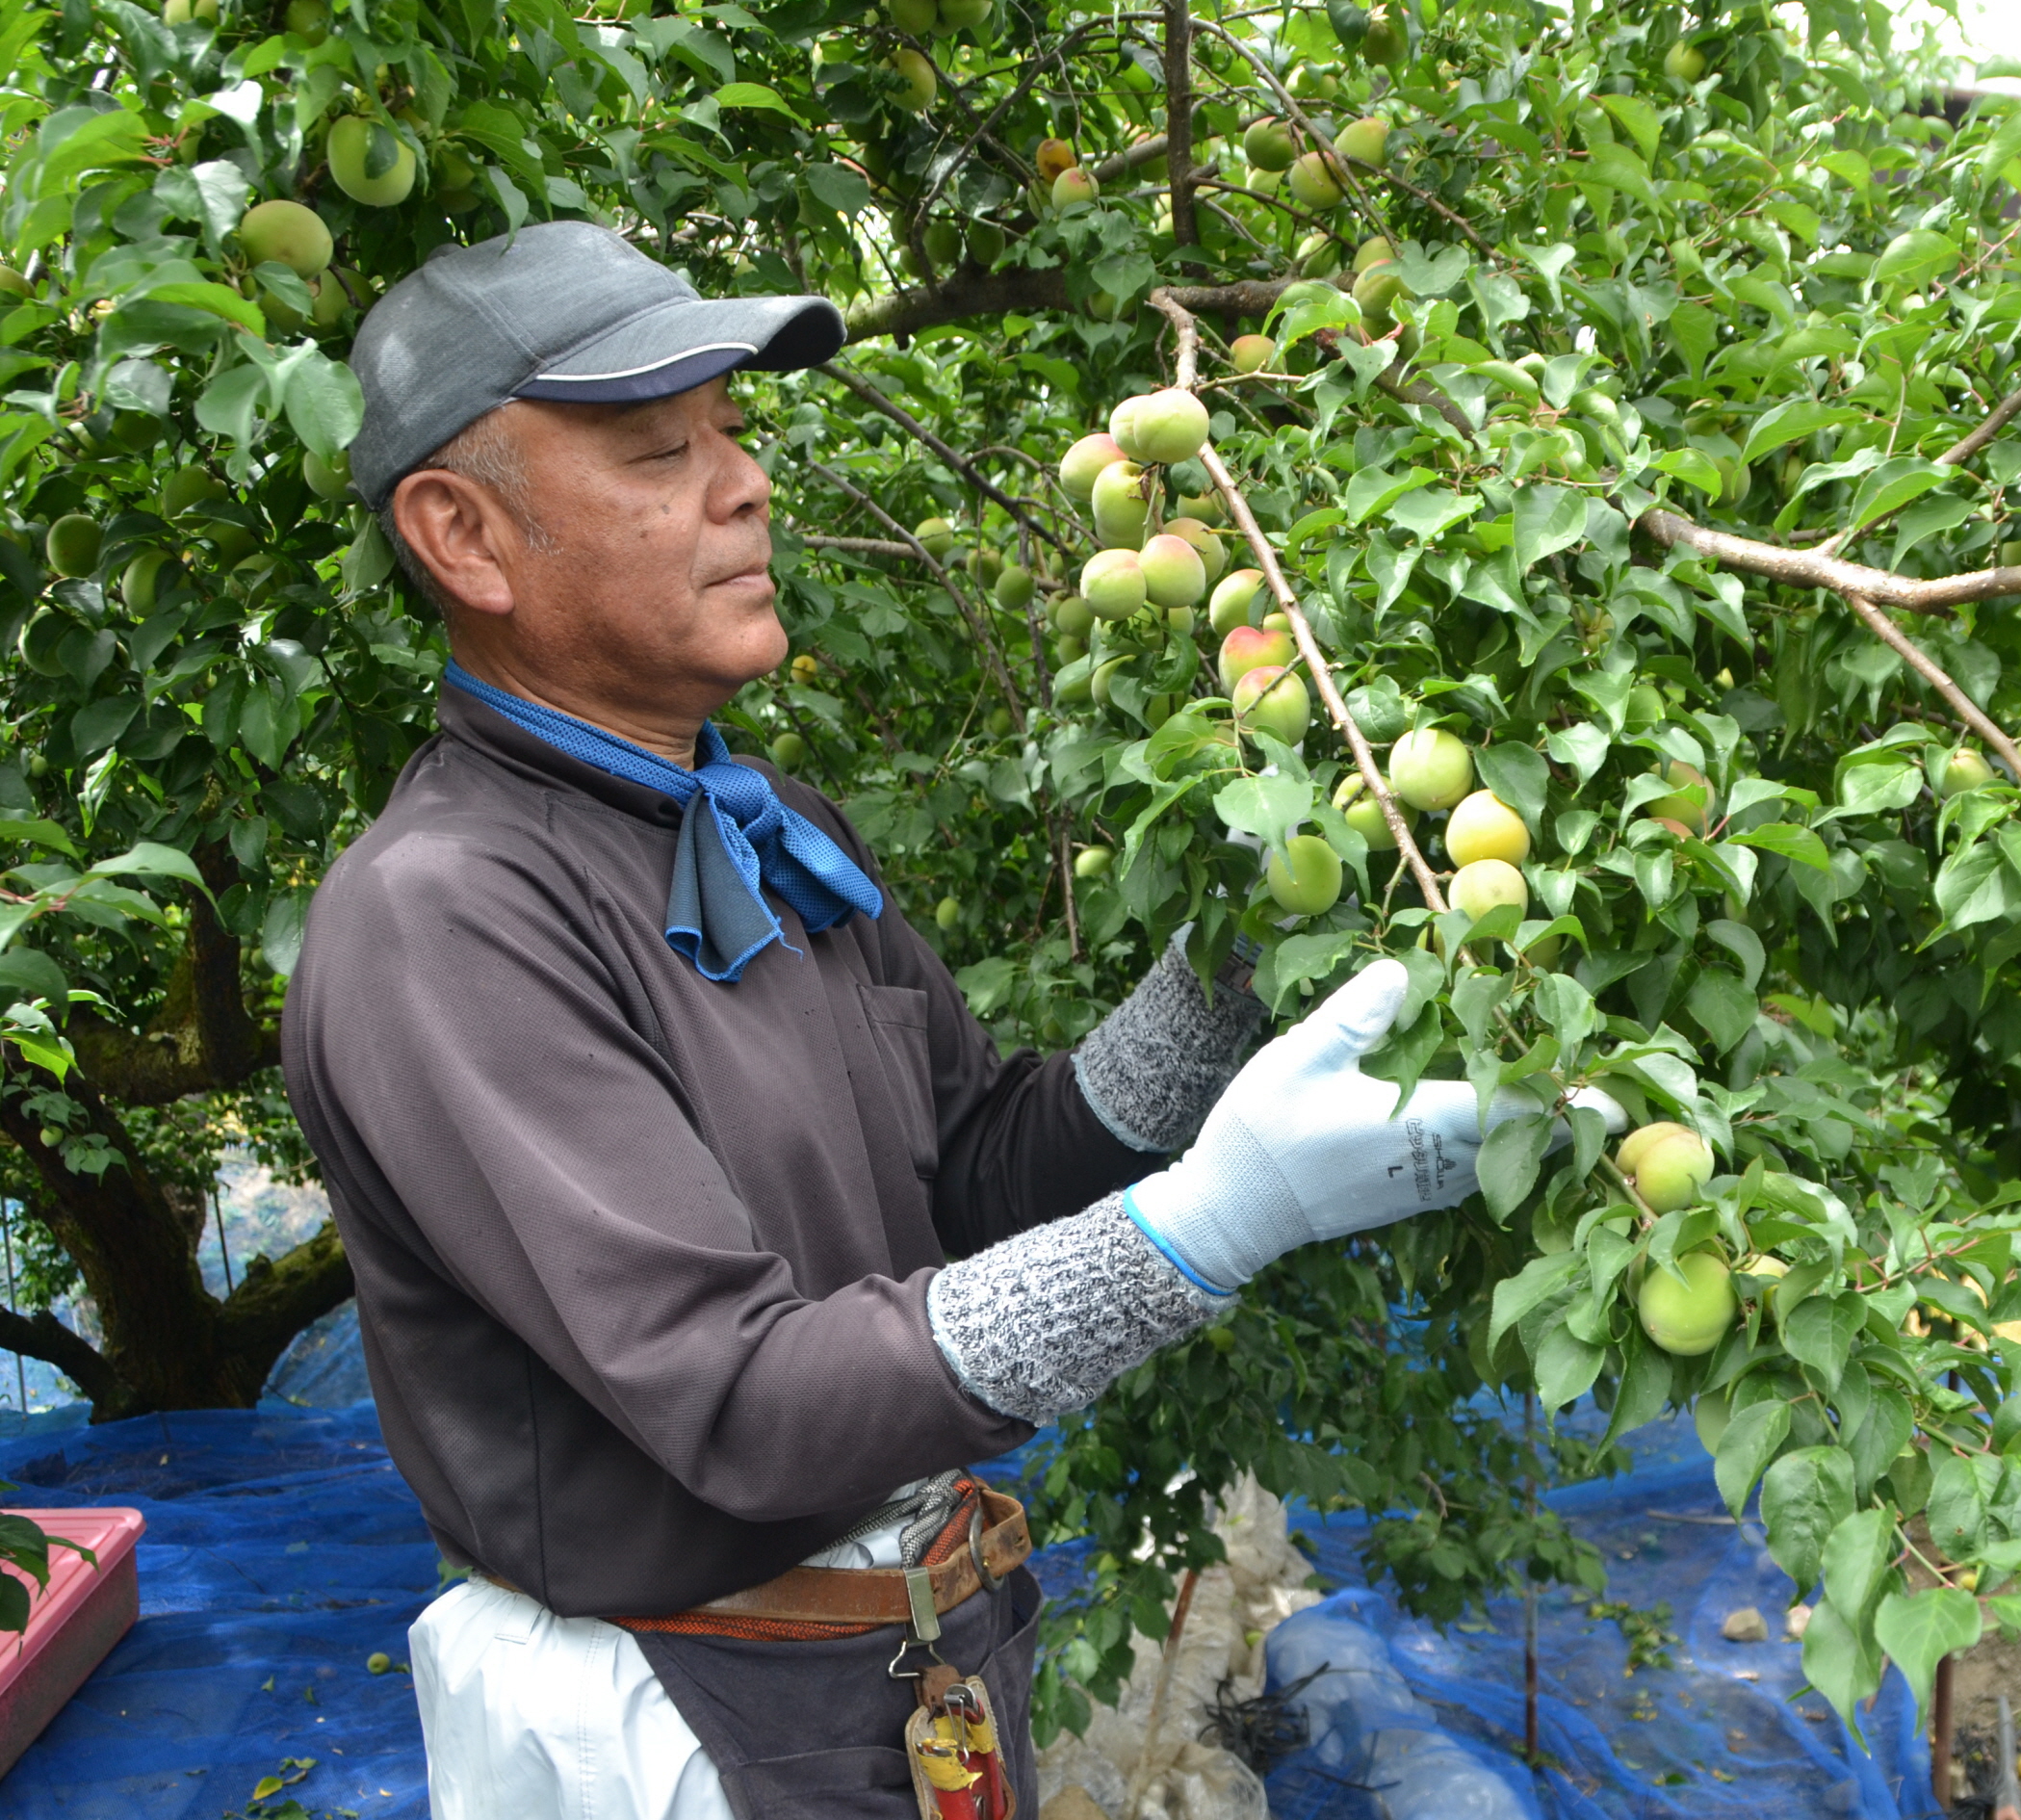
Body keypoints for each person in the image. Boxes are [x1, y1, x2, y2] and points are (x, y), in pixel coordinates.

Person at [280, 221, 1585, 1820]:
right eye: (660, 450)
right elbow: (740, 1402)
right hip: (689, 1725)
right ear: (465, 535)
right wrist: (1206, 1227)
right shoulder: (446, 917)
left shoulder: (765, 830)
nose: (746, 483)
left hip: (906, 1667)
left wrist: (1221, 975)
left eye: (734, 432)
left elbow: (976, 1171)